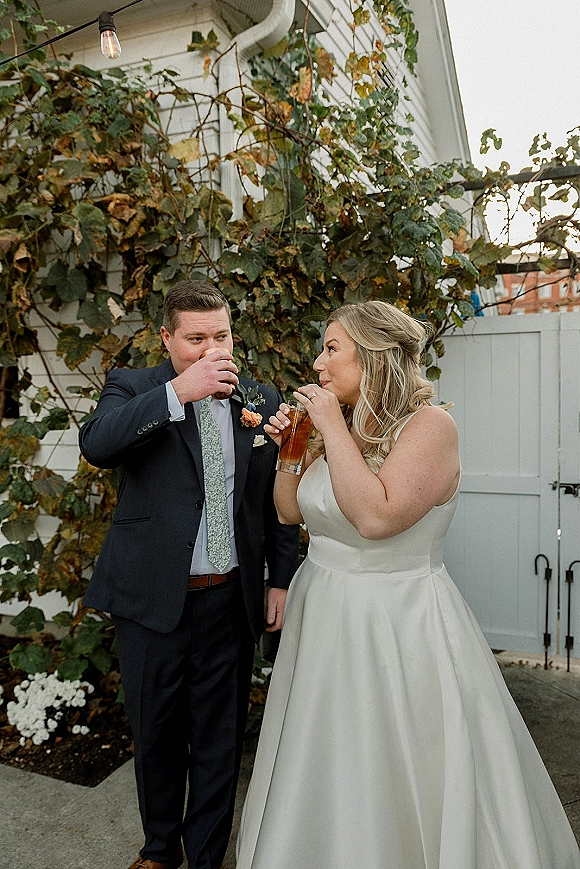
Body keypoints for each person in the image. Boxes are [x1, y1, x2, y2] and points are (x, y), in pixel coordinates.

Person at [236, 299, 580, 869]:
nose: (318, 366)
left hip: (396, 623)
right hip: (323, 614)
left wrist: (325, 427)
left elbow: (376, 518)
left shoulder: (431, 428)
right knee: (325, 755)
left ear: (374, 357)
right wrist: (292, 451)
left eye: (331, 350)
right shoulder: (338, 426)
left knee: (394, 759)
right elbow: (291, 512)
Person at [79, 280, 299, 869]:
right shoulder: (135, 386)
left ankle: (204, 858)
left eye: (220, 336)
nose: (210, 350)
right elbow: (97, 444)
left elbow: (276, 498)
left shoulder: (260, 398)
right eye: (194, 338)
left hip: (230, 599)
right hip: (152, 601)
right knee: (155, 735)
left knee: (219, 741)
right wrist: (180, 391)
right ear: (167, 338)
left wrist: (280, 578)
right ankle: (159, 851)